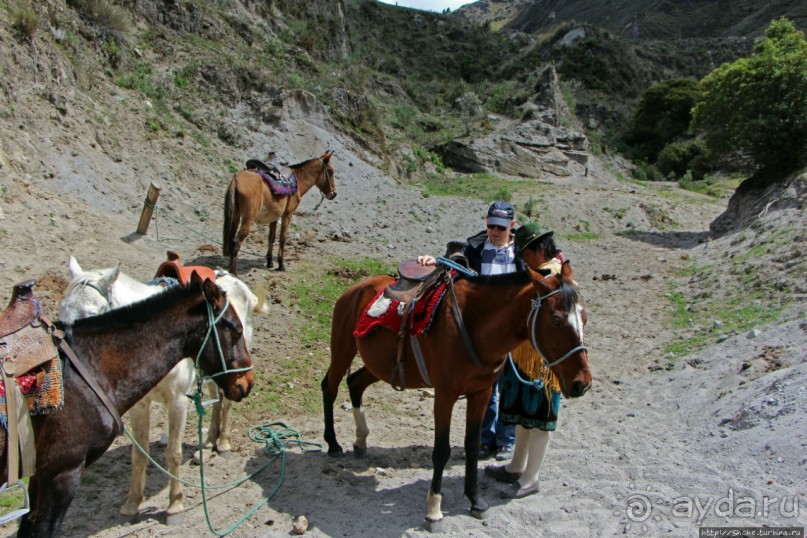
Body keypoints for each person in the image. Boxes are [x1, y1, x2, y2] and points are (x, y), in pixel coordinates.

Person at [417, 201, 522, 461]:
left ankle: (507, 439)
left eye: (500, 227)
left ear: (512, 226)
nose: (495, 231)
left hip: (513, 329)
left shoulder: (522, 251)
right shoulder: (474, 246)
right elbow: (453, 262)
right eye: (490, 226)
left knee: (511, 384)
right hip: (482, 332)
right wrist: (432, 260)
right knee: (485, 386)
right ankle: (486, 439)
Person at [483, 220, 568, 499]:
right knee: (521, 415)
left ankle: (531, 478)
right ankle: (516, 466)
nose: (521, 256)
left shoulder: (556, 280)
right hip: (522, 357)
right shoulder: (537, 274)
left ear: (540, 250)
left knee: (539, 418)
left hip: (542, 361)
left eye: (526, 251)